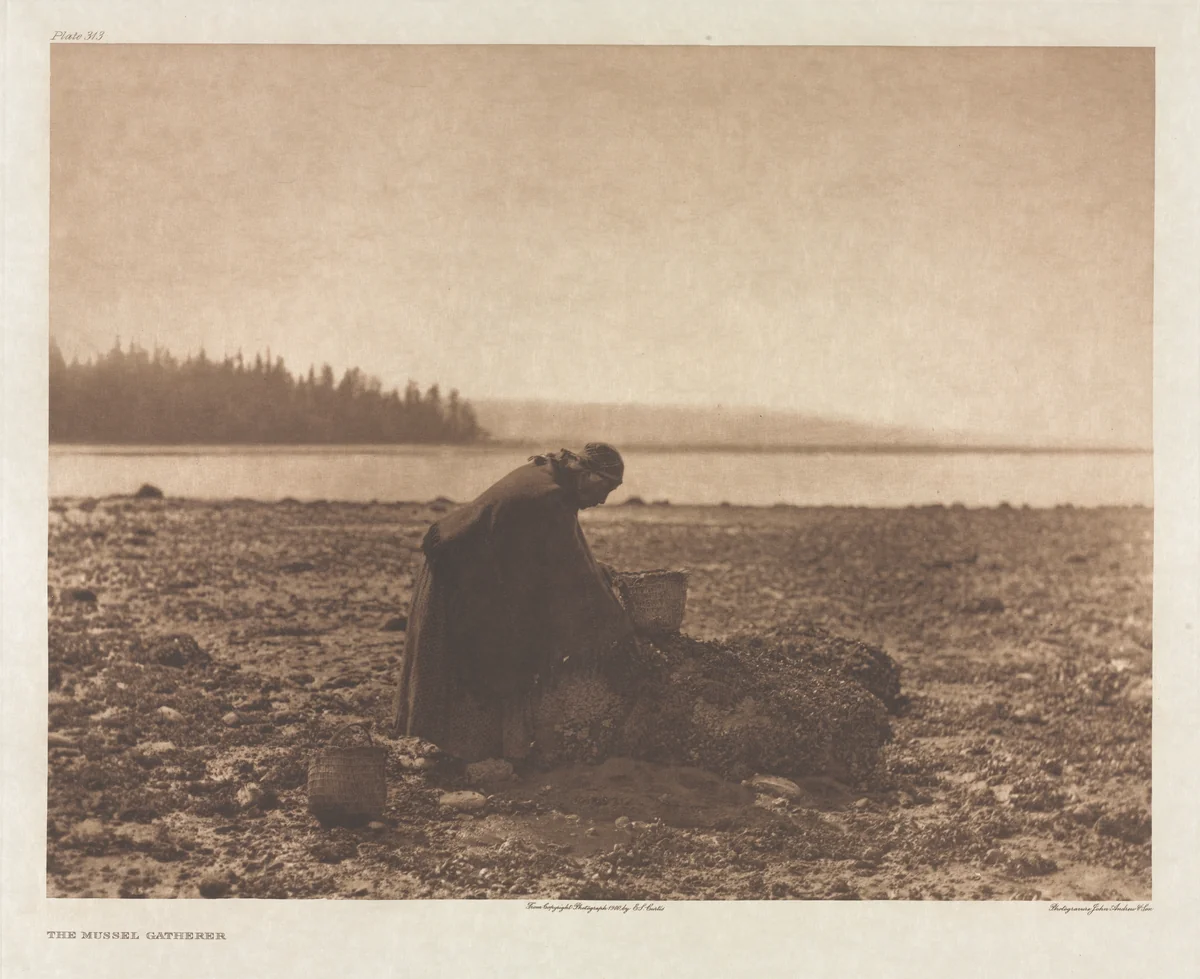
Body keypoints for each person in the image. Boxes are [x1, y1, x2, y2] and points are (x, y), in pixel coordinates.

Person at [391, 443, 636, 762]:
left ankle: (465, 748)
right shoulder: (549, 496)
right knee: (472, 655)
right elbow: (571, 572)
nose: (603, 500)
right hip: (454, 572)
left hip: (468, 564)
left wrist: (594, 571)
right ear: (586, 474)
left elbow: (558, 554)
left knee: (488, 648)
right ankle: (462, 751)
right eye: (605, 488)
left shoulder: (549, 477)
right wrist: (616, 628)